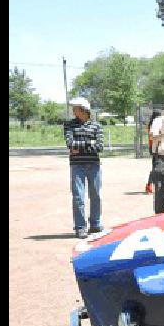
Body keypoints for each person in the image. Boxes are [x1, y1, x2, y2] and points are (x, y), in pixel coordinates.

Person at [64, 97, 105, 239]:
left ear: (83, 110)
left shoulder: (97, 126)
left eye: (75, 108)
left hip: (94, 165)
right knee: (78, 197)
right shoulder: (69, 125)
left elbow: (100, 147)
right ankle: (80, 227)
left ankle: (95, 224)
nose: (73, 111)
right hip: (77, 166)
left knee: (96, 195)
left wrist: (79, 145)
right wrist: (90, 143)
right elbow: (70, 144)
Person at [145, 109, 163, 194]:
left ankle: (154, 184)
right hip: (155, 147)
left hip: (155, 147)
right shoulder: (154, 125)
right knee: (156, 168)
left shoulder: (151, 124)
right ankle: (149, 185)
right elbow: (153, 136)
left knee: (158, 166)